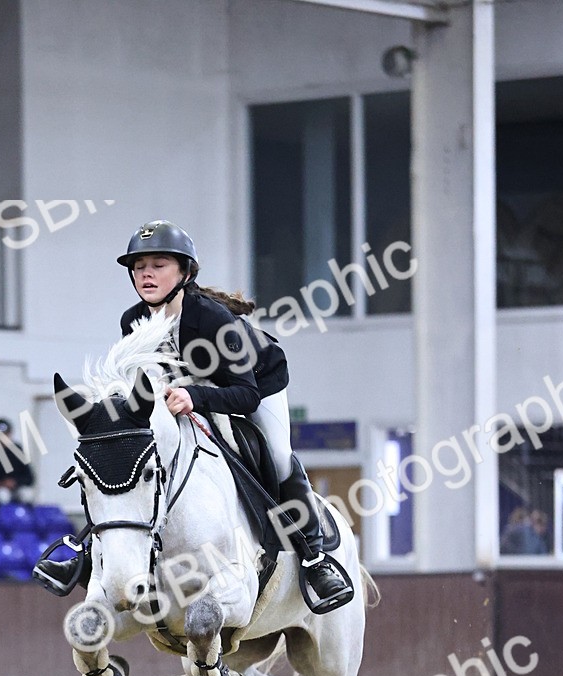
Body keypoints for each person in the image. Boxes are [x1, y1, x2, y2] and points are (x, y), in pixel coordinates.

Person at [34, 220, 353, 610]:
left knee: (279, 456)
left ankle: (314, 558)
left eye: (159, 264)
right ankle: (91, 555)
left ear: (185, 272)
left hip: (255, 385)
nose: (146, 273)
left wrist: (194, 397)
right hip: (185, 393)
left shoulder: (212, 319)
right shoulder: (133, 320)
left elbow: (247, 393)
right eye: (139, 266)